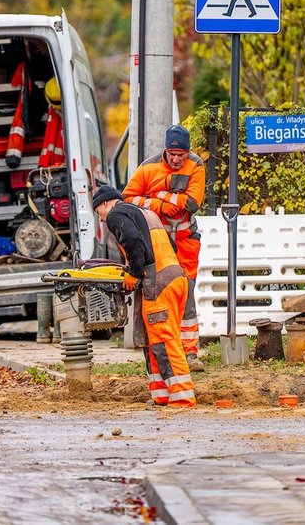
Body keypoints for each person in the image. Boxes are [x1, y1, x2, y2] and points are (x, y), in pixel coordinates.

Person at [93, 185, 196, 408]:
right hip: (176, 278)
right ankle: (162, 394)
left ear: (104, 204)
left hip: (157, 283)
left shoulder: (116, 214)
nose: (101, 220)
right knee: (155, 341)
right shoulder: (146, 214)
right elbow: (170, 246)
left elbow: (131, 240)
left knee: (164, 341)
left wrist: (135, 273)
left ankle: (182, 396)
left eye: (98, 213)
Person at [122, 125, 206, 372]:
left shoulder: (196, 165)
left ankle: (190, 353)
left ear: (187, 152)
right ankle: (164, 350)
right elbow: (128, 198)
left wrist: (158, 195)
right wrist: (160, 202)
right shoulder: (148, 167)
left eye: (181, 155)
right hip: (158, 245)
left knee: (187, 295)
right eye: (173, 154)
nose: (177, 159)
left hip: (185, 243)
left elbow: (192, 202)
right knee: (157, 294)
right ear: (165, 151)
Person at [6, 38, 58, 168]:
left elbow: (14, 83)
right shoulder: (32, 68)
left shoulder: (29, 68)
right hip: (52, 164)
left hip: (49, 163)